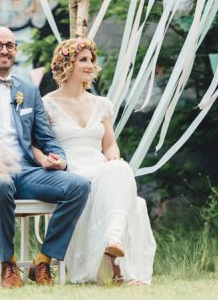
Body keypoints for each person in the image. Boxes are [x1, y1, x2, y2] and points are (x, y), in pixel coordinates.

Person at [0, 27, 91, 288]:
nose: (4, 50)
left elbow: (46, 137)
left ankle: (43, 261)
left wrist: (57, 157)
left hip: (27, 171)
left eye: (10, 45)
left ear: (15, 50)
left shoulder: (28, 90)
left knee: (78, 186)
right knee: (1, 183)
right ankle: (8, 263)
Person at [33, 38, 156, 285]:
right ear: (67, 64)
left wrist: (112, 154)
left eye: (92, 60)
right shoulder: (47, 104)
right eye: (83, 60)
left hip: (99, 164)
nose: (91, 65)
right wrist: (46, 160)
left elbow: (109, 144)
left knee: (120, 168)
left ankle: (114, 243)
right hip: (71, 171)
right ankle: (116, 270)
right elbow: (35, 144)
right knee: (118, 179)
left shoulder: (101, 104)